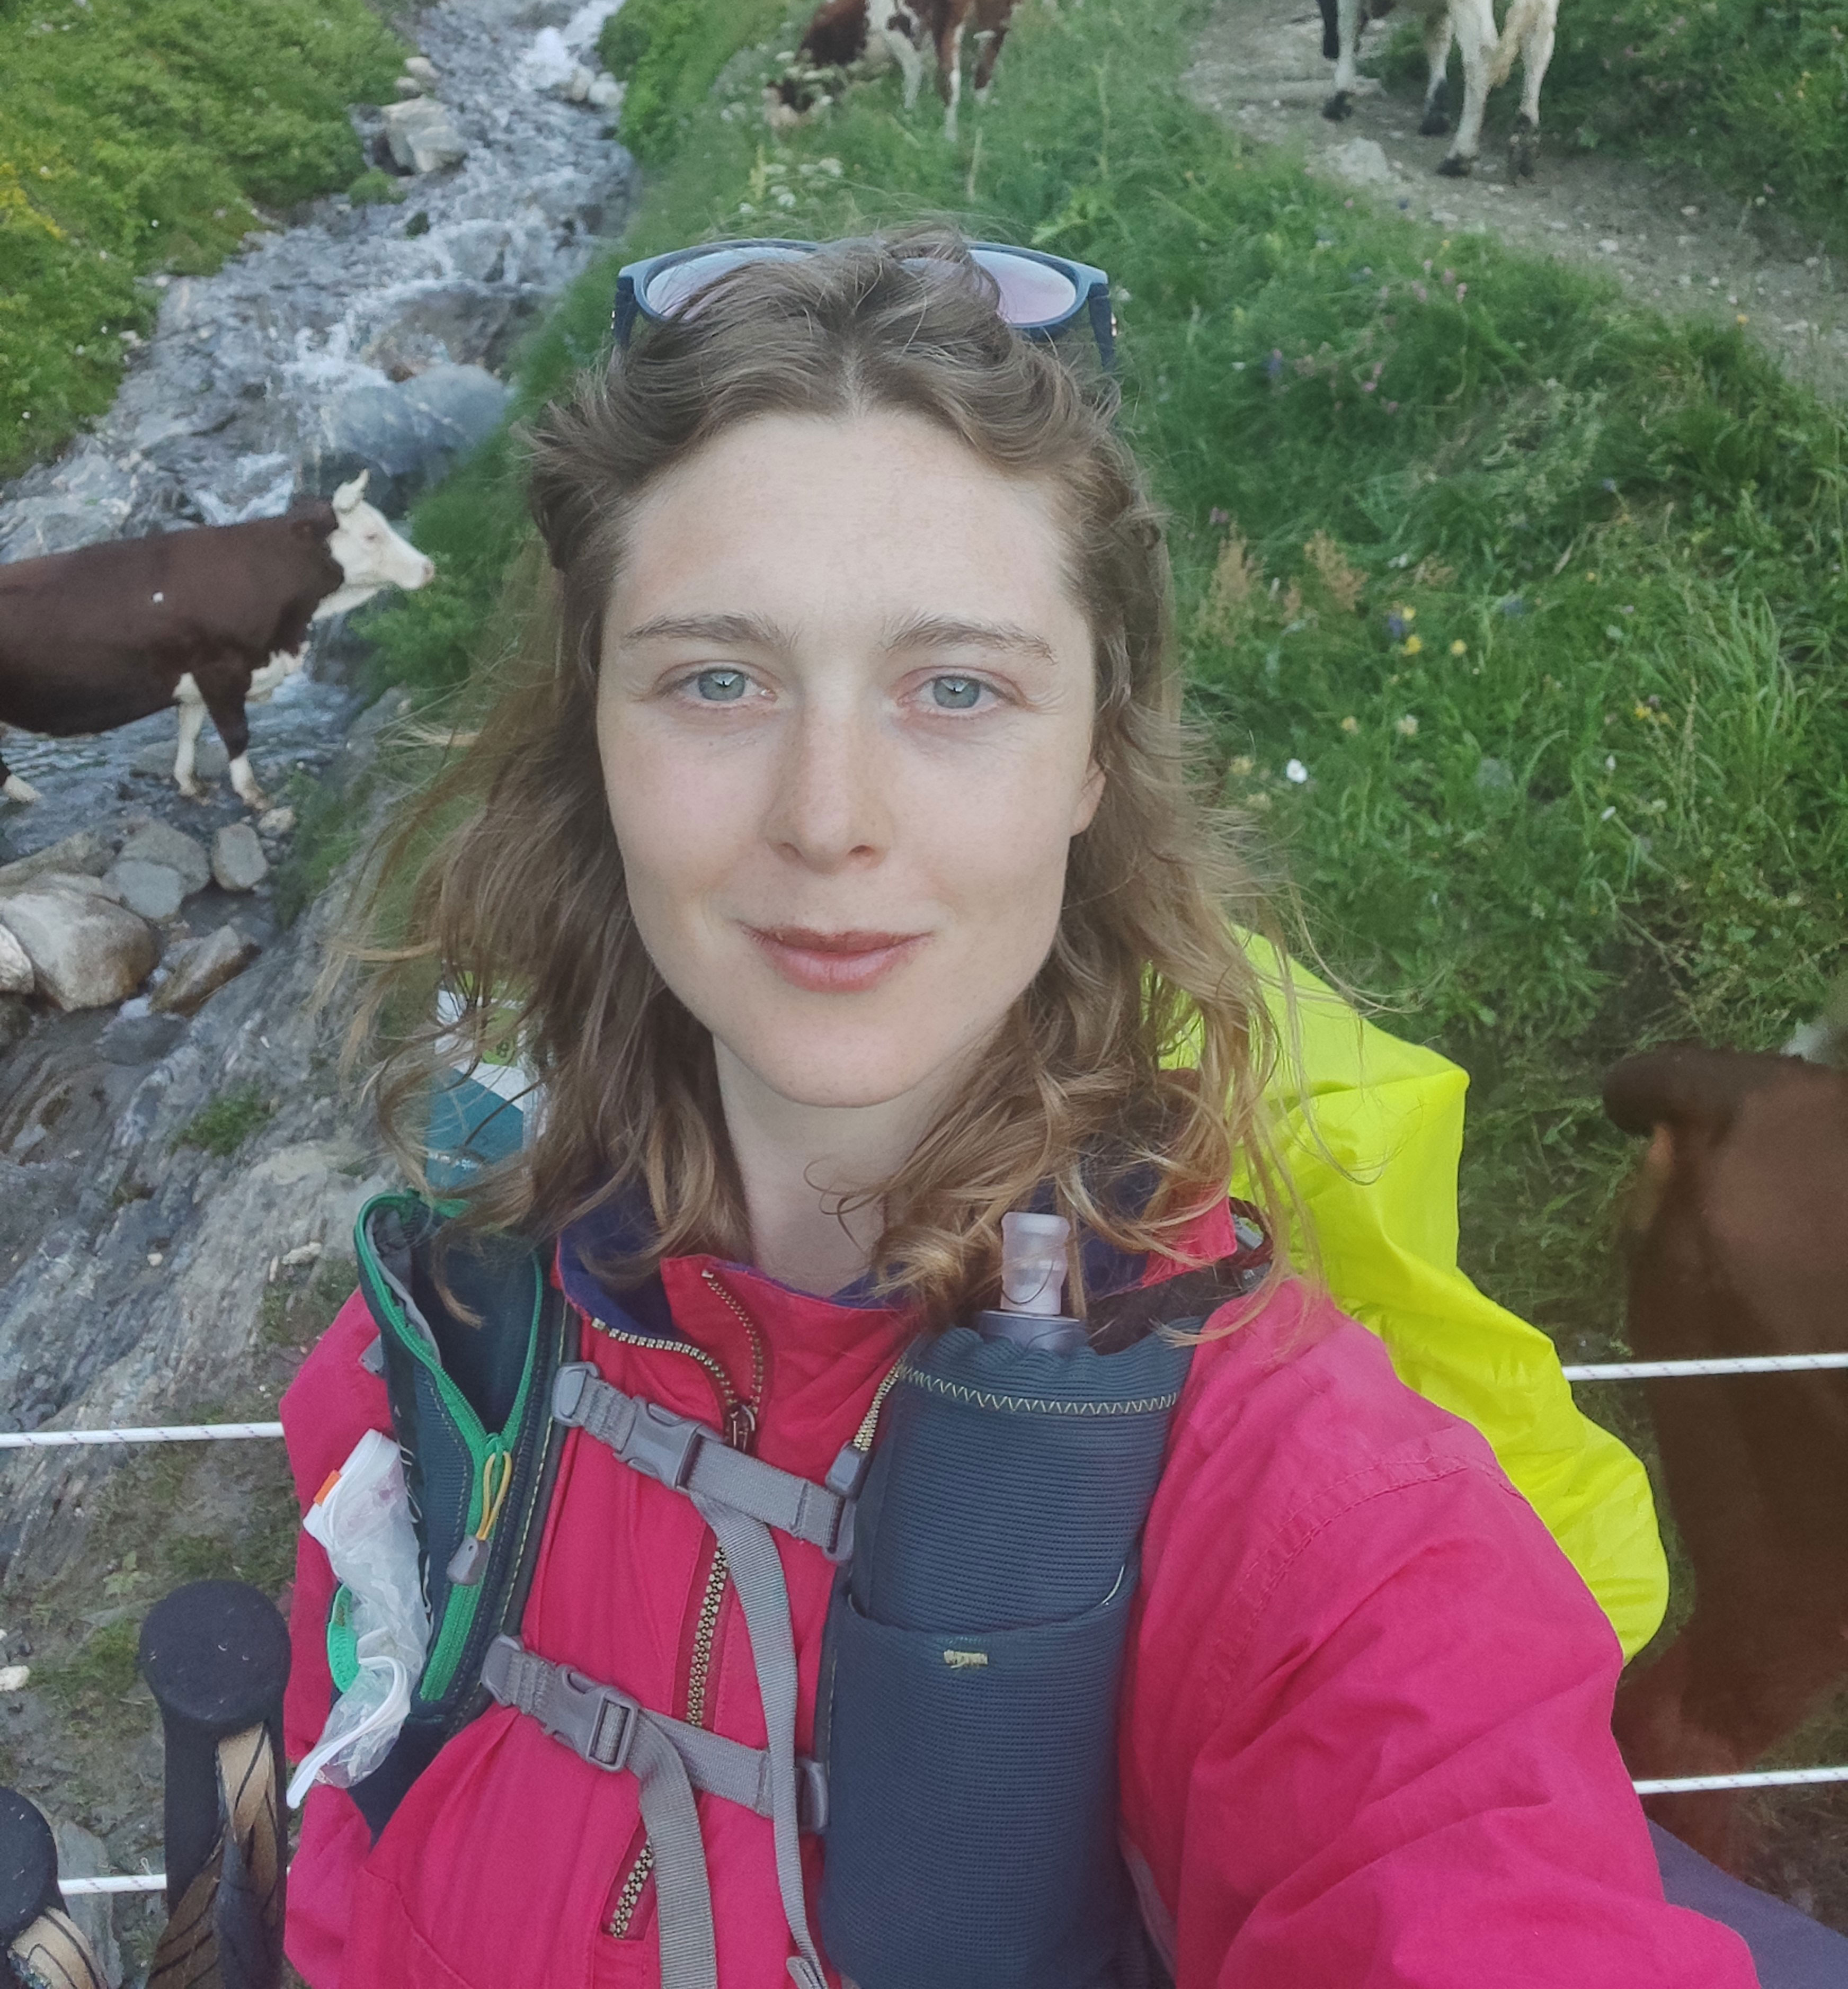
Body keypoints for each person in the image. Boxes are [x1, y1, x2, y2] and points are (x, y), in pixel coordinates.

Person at [280, 230, 1761, 1986]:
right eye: (719, 680)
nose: (828, 818)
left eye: (957, 688)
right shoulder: (414, 1384)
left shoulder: (1319, 1524)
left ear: (1094, 760)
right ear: (593, 735)